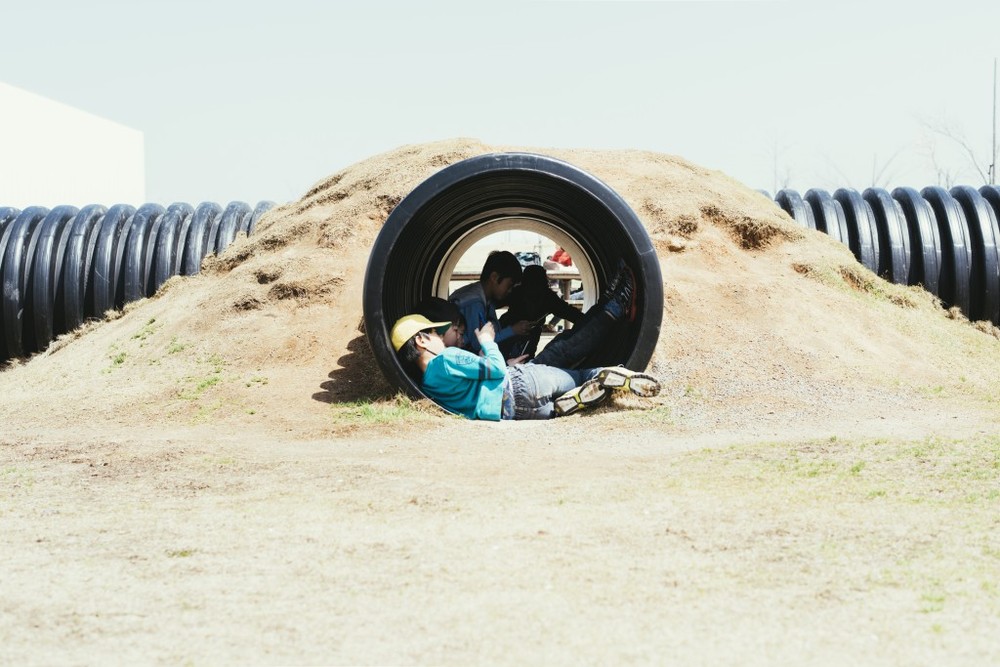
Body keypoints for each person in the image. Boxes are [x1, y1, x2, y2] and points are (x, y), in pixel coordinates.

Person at [392, 262, 659, 420]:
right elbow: (495, 371)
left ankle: (567, 403)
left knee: (559, 385)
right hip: (517, 382)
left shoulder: (428, 385)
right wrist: (488, 342)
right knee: (575, 371)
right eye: (437, 333)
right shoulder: (447, 359)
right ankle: (609, 367)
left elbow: (471, 390)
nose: (443, 338)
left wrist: (502, 362)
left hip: (511, 412)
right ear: (421, 341)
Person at [449, 250, 532, 355]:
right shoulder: (474, 302)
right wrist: (512, 330)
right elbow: (478, 343)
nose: (510, 291)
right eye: (509, 285)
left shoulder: (485, 298)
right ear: (494, 277)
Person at [497, 264, 585, 359]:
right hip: (514, 331)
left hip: (519, 332)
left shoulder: (519, 292)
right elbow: (570, 313)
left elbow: (569, 312)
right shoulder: (545, 296)